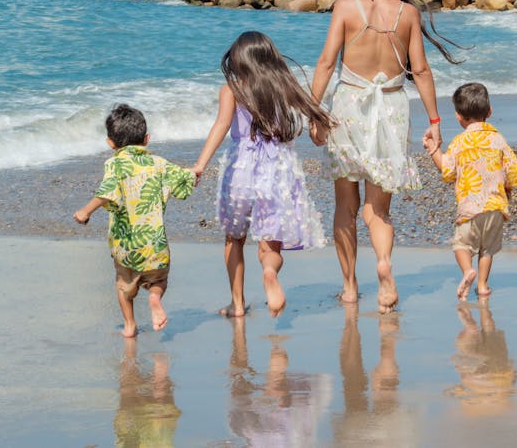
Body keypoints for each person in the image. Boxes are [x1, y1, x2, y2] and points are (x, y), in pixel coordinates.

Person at [310, 0, 463, 313]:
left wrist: (313, 111)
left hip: (350, 106)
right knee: (378, 208)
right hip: (392, 108)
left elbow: (328, 63)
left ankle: (349, 287)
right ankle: (384, 264)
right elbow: (422, 71)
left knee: (346, 206)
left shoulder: (346, 7)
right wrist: (436, 122)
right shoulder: (407, 13)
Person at [193, 31, 333, 318]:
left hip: (241, 170)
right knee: (270, 243)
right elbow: (314, 112)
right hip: (277, 171)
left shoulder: (231, 90)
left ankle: (237, 304)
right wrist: (320, 132)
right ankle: (270, 272)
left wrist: (200, 165)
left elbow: (220, 128)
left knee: (234, 238)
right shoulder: (284, 85)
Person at [74, 104, 195, 337]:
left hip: (126, 246)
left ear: (110, 143)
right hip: (155, 245)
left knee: (124, 287)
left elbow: (107, 191)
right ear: (147, 139)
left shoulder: (114, 164)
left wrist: (85, 211)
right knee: (159, 279)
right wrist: (195, 170)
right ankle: (154, 297)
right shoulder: (159, 163)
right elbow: (183, 179)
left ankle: (129, 325)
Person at [423, 82, 517, 301]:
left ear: (459, 116)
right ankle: (483, 285)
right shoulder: (498, 140)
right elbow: (514, 173)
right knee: (487, 250)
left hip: (470, 208)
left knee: (461, 245)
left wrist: (433, 150)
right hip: (496, 207)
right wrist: (507, 190)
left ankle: (468, 271)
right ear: (489, 112)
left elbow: (448, 171)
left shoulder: (460, 142)